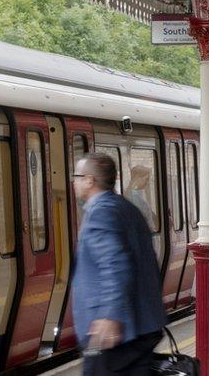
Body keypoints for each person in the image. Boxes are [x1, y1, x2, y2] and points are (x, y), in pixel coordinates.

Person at [71, 152, 166, 375]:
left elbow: (116, 265)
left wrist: (110, 316)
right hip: (143, 325)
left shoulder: (100, 213)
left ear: (89, 180)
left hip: (118, 332)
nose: (73, 182)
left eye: (77, 176)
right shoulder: (127, 208)